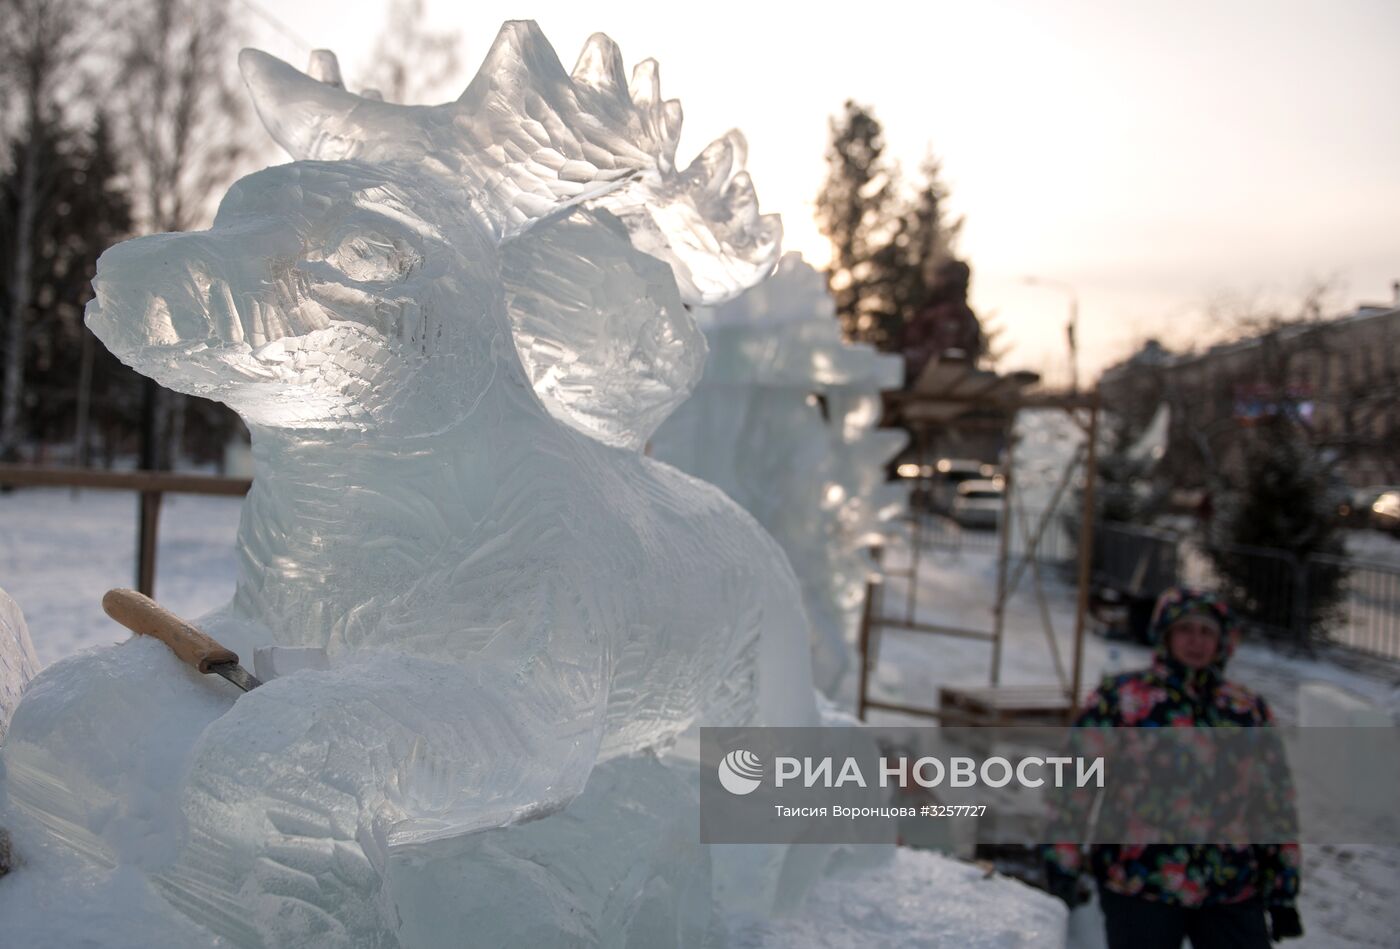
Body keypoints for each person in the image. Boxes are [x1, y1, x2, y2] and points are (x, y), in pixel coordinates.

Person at [1044, 587, 1303, 948]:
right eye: (1185, 629)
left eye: (1207, 632)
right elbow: (1073, 781)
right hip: (1139, 880)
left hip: (1229, 885)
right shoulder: (1124, 700)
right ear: (1165, 635)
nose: (1196, 641)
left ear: (1223, 641)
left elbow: (1274, 801)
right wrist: (1062, 861)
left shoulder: (1246, 710)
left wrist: (1282, 888)